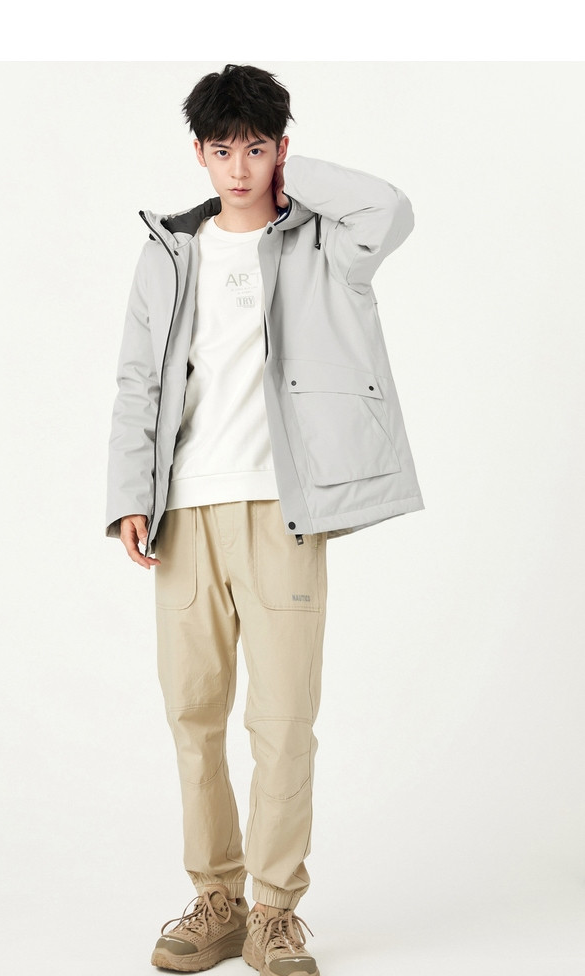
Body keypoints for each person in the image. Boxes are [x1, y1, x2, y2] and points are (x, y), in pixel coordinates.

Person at [105, 63, 423, 976]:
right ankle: (218, 900)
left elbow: (392, 209)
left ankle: (276, 912)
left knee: (284, 721)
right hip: (184, 512)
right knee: (193, 714)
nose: (239, 168)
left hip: (285, 508)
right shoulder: (169, 252)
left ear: (281, 149)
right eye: (223, 150)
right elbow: (138, 380)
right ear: (198, 155)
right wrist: (130, 495)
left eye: (256, 148)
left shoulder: (324, 242)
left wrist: (297, 177)